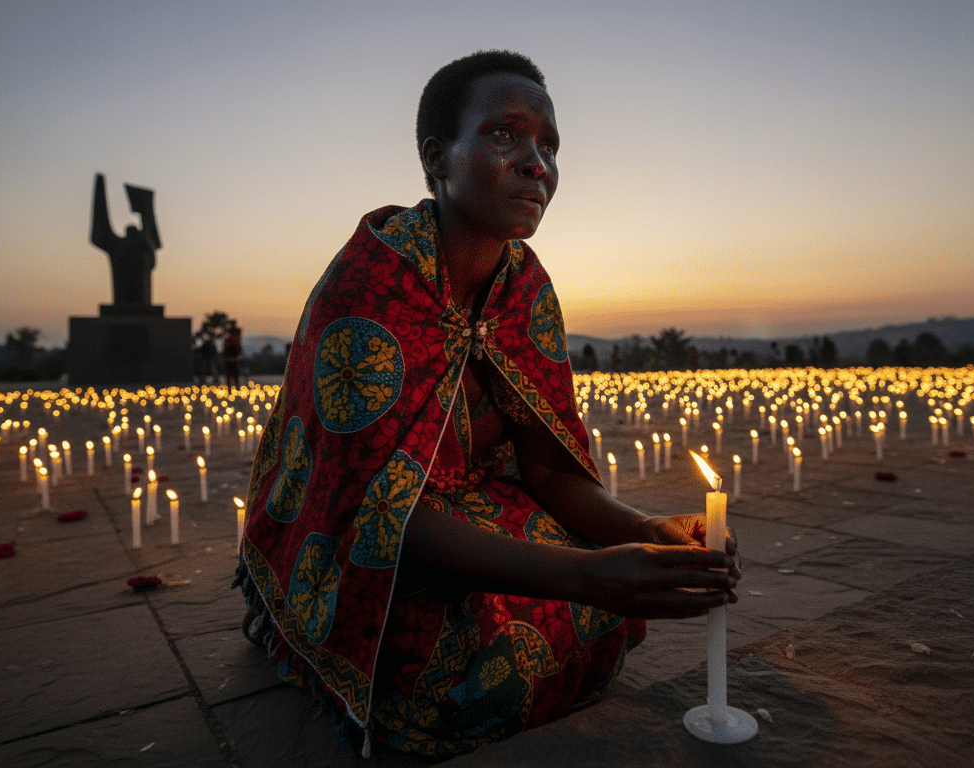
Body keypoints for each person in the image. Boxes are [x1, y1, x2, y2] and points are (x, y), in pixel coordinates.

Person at [234, 50, 738, 759]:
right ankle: (290, 625)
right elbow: (379, 516)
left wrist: (643, 527)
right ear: (438, 159)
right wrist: (590, 574)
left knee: (597, 615)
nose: (537, 163)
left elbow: (551, 468)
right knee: (476, 669)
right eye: (505, 135)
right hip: (368, 537)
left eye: (549, 145)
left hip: (471, 500)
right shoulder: (368, 290)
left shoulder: (524, 288)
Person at [223, 321, 243, 388]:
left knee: (232, 373)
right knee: (233, 373)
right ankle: (233, 385)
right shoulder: (233, 339)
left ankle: (232, 385)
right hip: (232, 358)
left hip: (232, 358)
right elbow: (237, 349)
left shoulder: (230, 339)